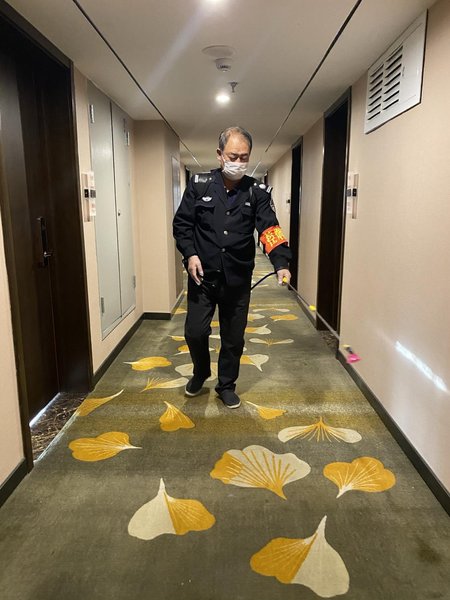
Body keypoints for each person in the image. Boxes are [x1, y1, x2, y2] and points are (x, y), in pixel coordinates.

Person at [173, 126, 291, 408]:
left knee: (233, 338)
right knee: (195, 332)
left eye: (244, 157)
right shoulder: (200, 185)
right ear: (219, 154)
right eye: (232, 156)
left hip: (237, 278)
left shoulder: (257, 192)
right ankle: (201, 371)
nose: (238, 162)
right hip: (202, 276)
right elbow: (182, 225)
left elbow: (269, 229)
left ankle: (226, 385)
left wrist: (281, 263)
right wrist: (190, 254)